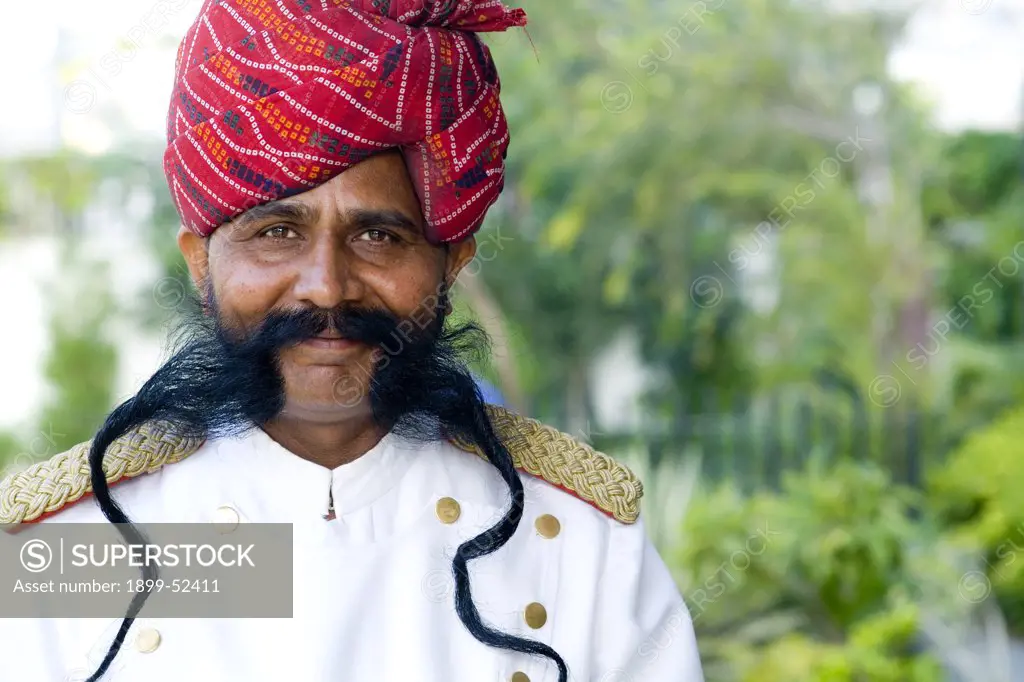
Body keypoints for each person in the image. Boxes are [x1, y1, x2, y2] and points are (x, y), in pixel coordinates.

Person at [0, 0, 704, 680]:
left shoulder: (582, 547)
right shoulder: (64, 550)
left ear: (451, 261)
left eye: (379, 236)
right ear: (199, 264)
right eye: (277, 233)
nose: (327, 287)